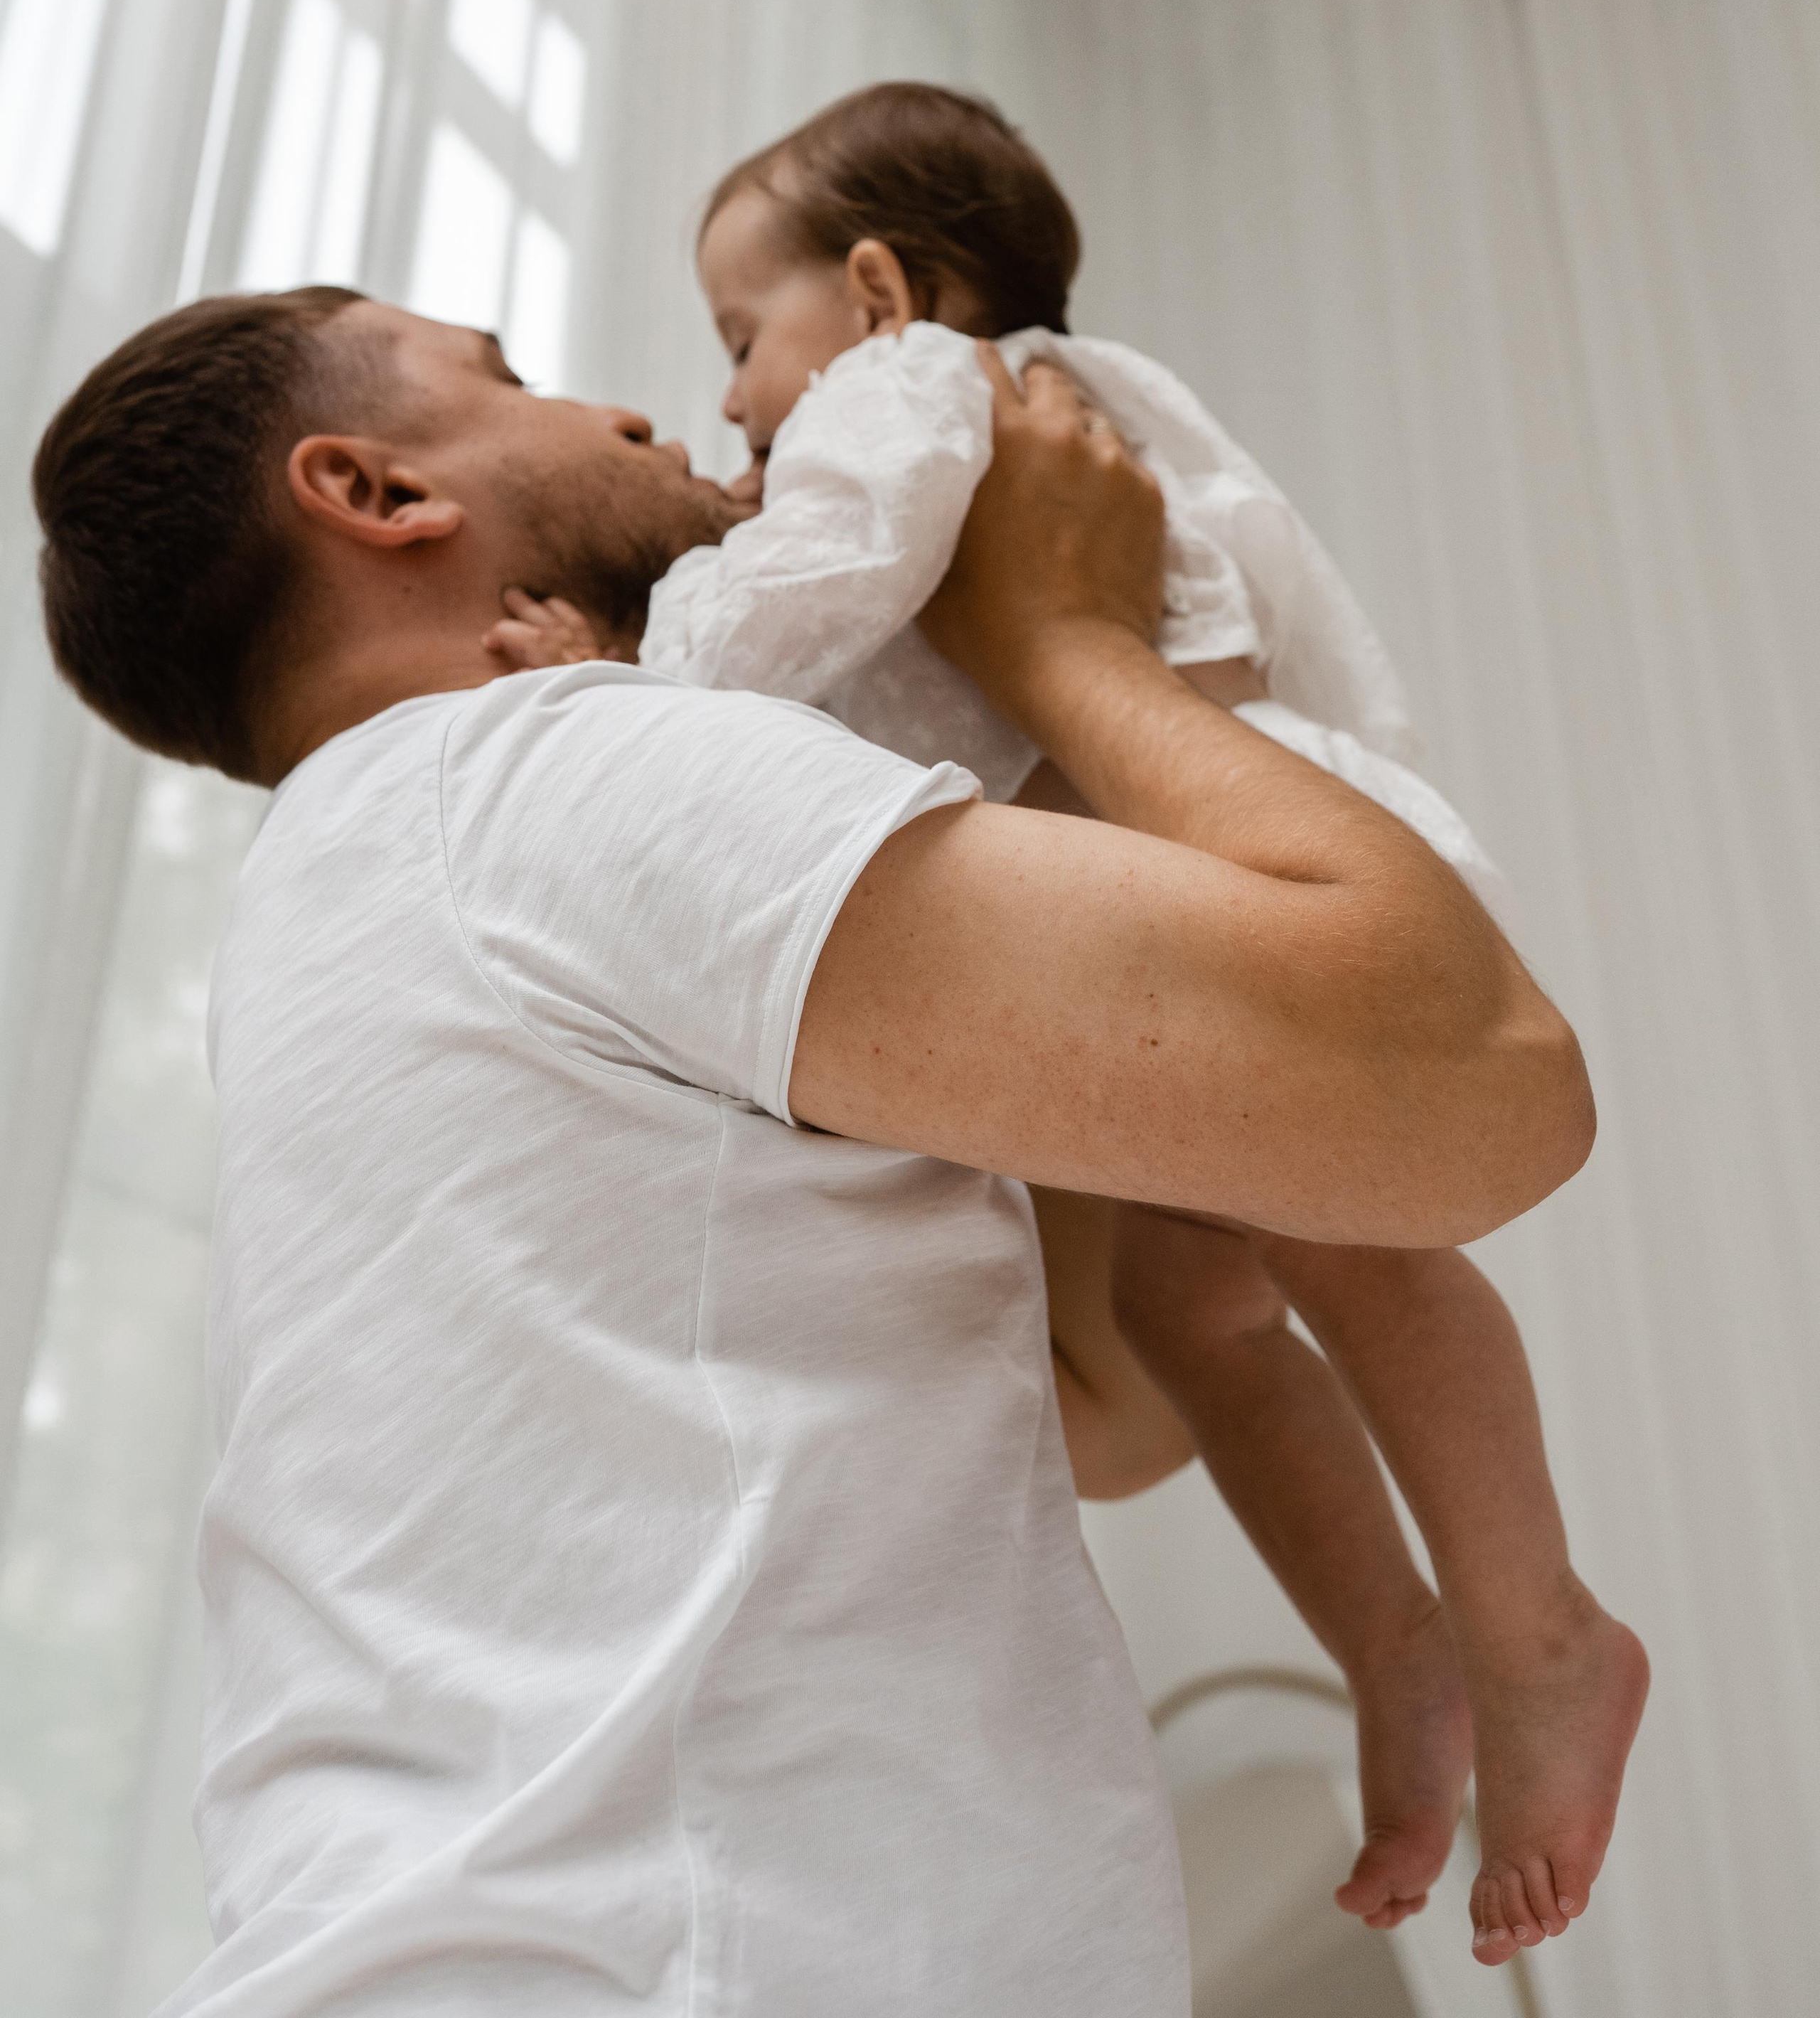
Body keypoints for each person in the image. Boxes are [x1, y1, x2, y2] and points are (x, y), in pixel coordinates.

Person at [31, 283, 1592, 2017]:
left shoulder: (346, 910)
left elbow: (1104, 1402)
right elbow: (1475, 1083)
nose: (637, 416)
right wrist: (1067, 644)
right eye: (507, 376)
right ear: (376, 492)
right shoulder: (541, 771)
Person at [494, 81, 1647, 1971]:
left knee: (1354, 1257)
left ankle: (1541, 1637)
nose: (728, 399)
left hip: (1208, 874)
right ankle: (1400, 1645)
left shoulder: (915, 391)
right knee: (1197, 1306)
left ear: (877, 291)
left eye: (740, 336)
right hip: (1161, 875)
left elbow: (816, 592)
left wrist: (625, 672)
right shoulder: (1021, 397)